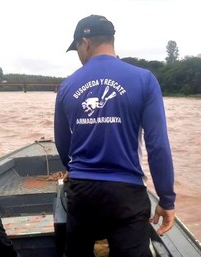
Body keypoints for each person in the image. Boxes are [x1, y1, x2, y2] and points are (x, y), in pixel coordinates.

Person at [54, 15, 176, 257]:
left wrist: (75, 169)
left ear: (85, 42)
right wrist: (166, 199)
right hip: (127, 194)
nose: (78, 55)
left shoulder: (67, 86)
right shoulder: (144, 80)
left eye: (77, 48)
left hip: (82, 192)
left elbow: (62, 143)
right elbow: (158, 146)